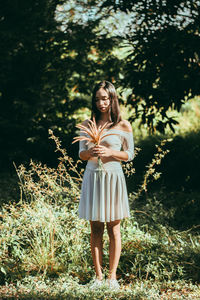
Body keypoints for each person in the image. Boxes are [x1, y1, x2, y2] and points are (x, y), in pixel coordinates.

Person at [78, 80, 134, 290]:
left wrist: (111, 153)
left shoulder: (123, 125)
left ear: (112, 99)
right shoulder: (87, 123)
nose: (101, 103)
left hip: (113, 178)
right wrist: (90, 153)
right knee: (95, 228)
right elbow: (81, 154)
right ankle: (98, 277)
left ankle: (112, 278)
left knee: (114, 228)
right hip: (93, 177)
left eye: (105, 98)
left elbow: (130, 154)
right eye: (97, 99)